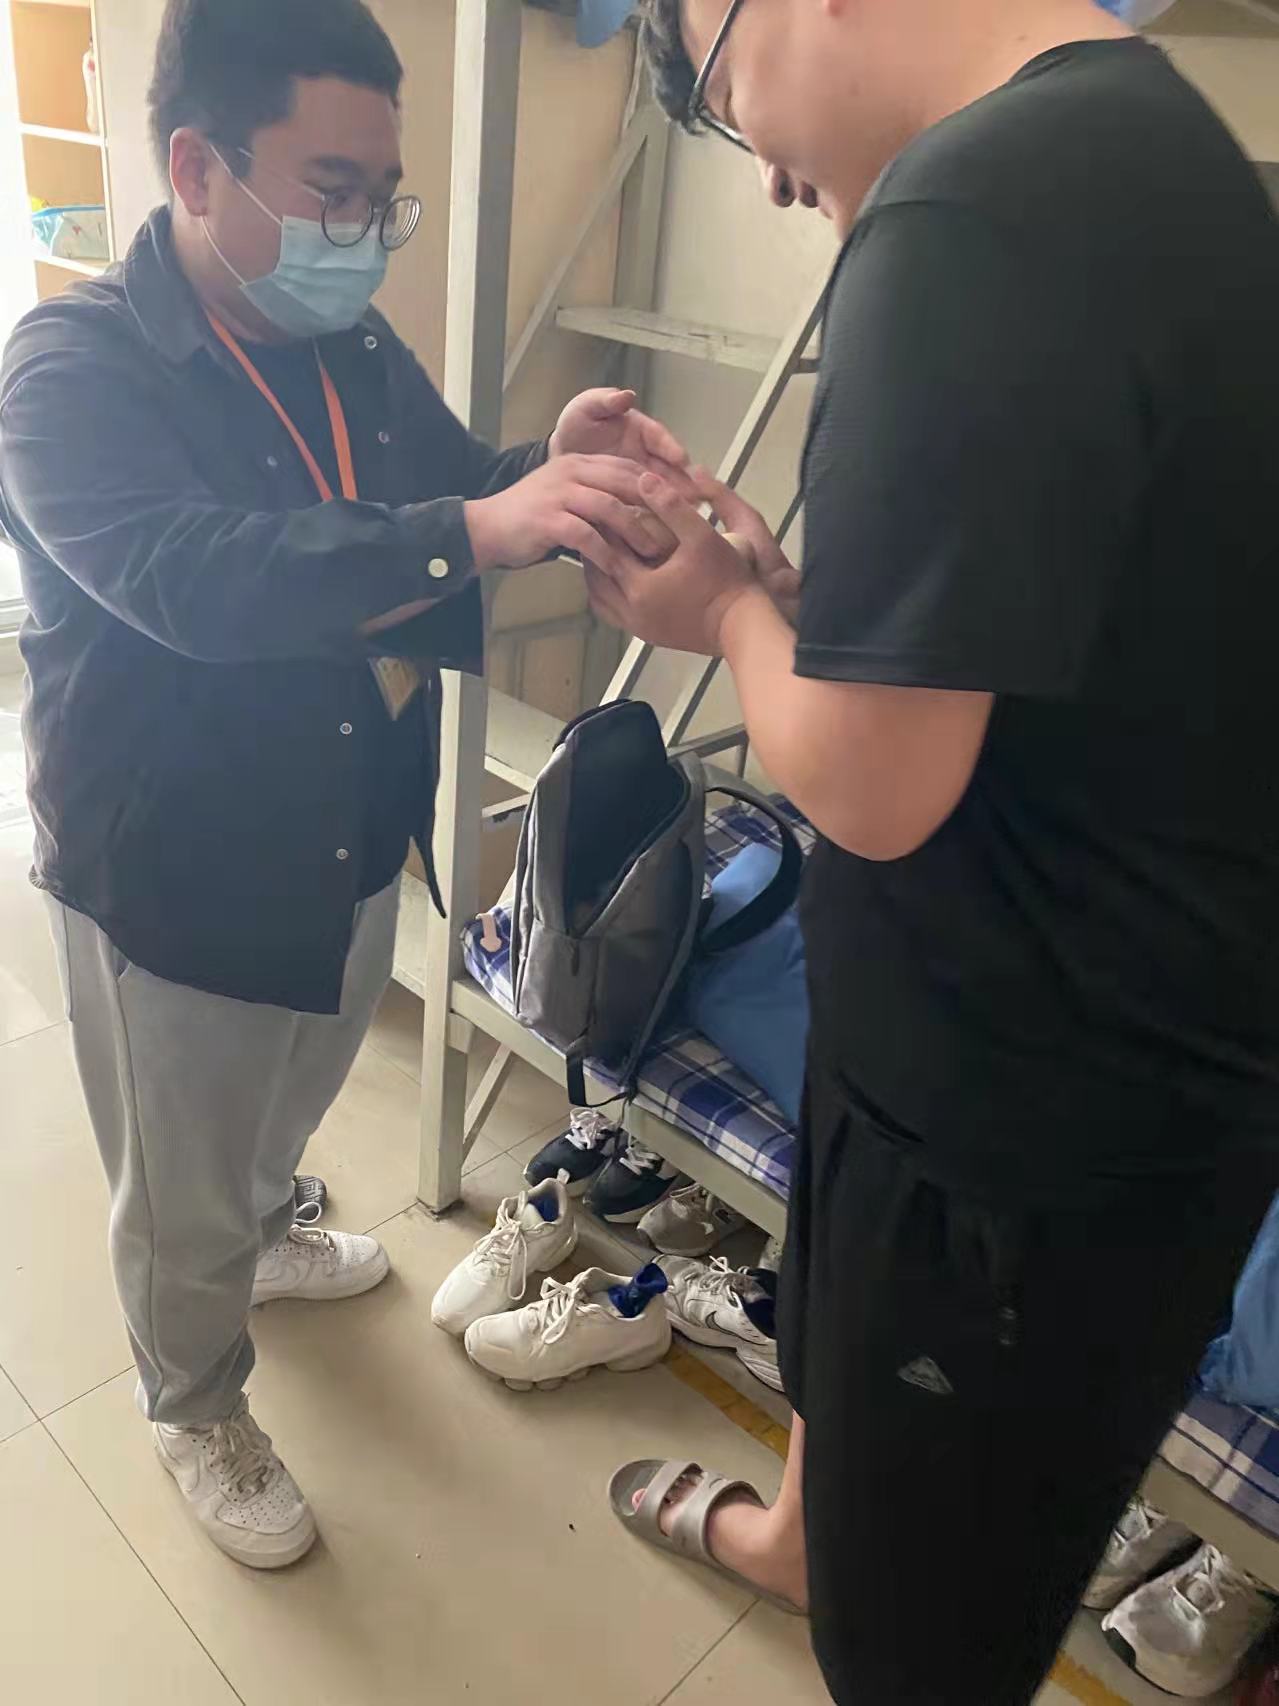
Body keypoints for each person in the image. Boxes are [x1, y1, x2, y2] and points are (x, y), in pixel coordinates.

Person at [597, 0, 1279, 1700]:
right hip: (1057, 1060)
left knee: (916, 1651)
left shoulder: (963, 215)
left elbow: (875, 783)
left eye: (719, 86)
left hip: (1014, 1138)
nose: (760, 167)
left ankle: (856, 1593)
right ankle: (799, 1534)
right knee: (848, 1373)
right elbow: (1048, 638)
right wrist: (806, 609)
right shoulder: (1145, 136)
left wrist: (724, 614)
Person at [0, 0, 686, 1570]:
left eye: (383, 194)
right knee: (178, 1175)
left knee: (305, 1060)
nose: (363, 231)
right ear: (198, 167)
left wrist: (541, 464)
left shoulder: (350, 346)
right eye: (331, 189)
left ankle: (265, 1220)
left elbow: (447, 493)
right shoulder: (67, 372)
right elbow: (199, 579)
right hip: (174, 860)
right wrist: (482, 527)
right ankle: (191, 1397)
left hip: (348, 811)